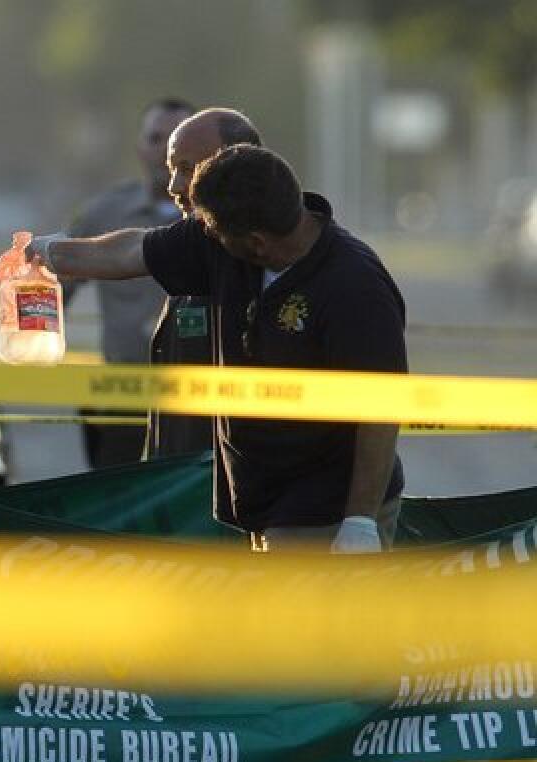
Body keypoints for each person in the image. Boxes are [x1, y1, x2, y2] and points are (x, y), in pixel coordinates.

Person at [33, 145, 406, 555]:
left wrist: (359, 522)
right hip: (262, 497)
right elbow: (133, 250)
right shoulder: (221, 236)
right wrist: (51, 254)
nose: (203, 234)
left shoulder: (355, 286)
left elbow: (381, 410)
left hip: (326, 504)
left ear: (257, 243)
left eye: (215, 234)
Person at [64, 97, 195, 467]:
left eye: (177, 139)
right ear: (140, 147)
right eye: (156, 138)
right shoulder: (103, 213)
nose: (166, 152)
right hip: (123, 403)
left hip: (205, 403)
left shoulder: (224, 218)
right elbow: (53, 293)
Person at [145, 107, 262, 460]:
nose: (174, 187)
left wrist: (47, 252)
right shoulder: (194, 252)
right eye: (171, 170)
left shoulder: (270, 258)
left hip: (240, 495)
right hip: (178, 487)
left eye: (188, 169)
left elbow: (123, 253)